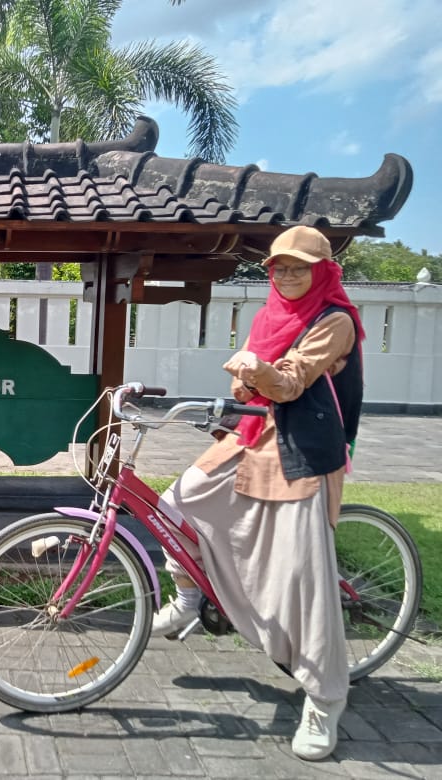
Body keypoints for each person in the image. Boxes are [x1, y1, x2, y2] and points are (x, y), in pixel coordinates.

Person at [150, 224, 364, 761]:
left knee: (300, 578)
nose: (288, 275)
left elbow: (290, 382)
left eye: (299, 267)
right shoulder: (267, 318)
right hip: (249, 435)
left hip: (299, 453)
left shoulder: (334, 320)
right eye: (279, 267)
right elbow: (246, 384)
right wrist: (245, 377)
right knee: (177, 503)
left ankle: (324, 698)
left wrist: (257, 372)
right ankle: (189, 599)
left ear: (322, 272)